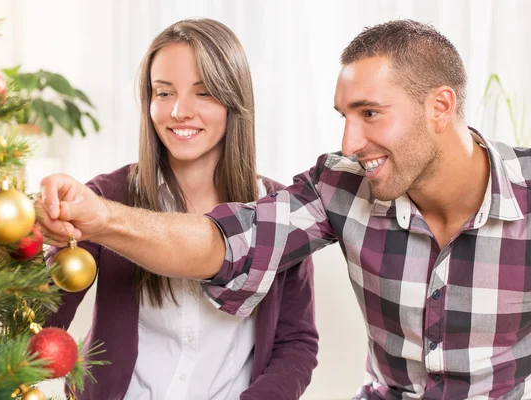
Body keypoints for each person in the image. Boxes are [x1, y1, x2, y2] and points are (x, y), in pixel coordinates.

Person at [38, 19, 531, 398]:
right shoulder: (341, 187)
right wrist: (102, 217)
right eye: (345, 116)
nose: (349, 142)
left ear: (440, 107)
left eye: (370, 113)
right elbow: (229, 243)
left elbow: (296, 344)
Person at [41, 18, 318, 400]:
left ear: (233, 100)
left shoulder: (278, 211)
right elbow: (40, 321)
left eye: (203, 93)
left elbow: (296, 343)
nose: (179, 112)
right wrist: (23, 242)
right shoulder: (107, 196)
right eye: (164, 93)